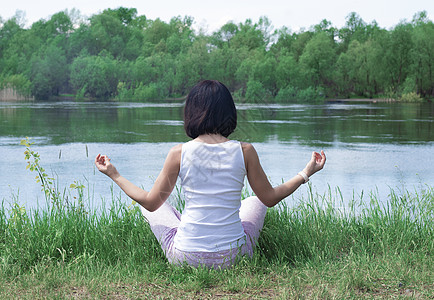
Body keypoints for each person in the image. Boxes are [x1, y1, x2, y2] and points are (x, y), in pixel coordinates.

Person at [95, 80, 326, 269]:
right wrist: (306, 172)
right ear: (229, 113)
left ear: (191, 112)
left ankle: (184, 224)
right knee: (255, 200)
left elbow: (151, 202)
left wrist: (114, 174)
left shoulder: (178, 153)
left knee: (157, 206)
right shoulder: (245, 151)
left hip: (185, 257)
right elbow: (270, 198)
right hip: (235, 257)